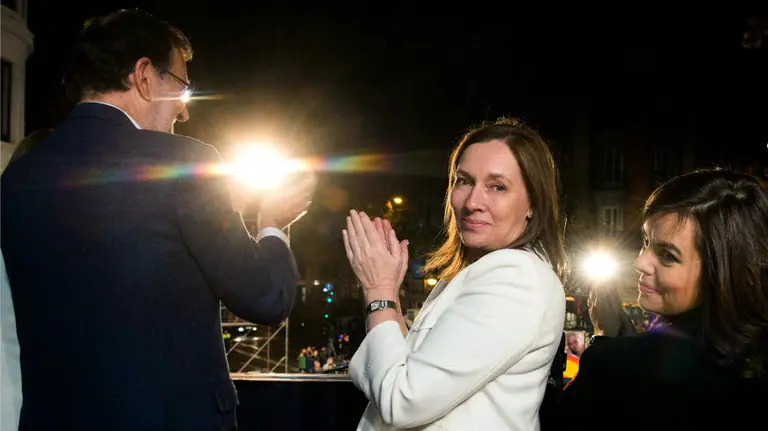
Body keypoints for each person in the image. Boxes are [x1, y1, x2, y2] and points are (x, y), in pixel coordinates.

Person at [1, 9, 315, 431]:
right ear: (145, 77)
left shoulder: (19, 177)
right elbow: (265, 298)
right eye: (183, 88)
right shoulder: (183, 163)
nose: (184, 113)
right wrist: (273, 223)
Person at [342, 118, 568, 430]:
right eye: (463, 181)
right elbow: (410, 370)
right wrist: (390, 294)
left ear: (533, 203)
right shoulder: (481, 273)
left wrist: (378, 290)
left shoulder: (516, 277)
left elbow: (401, 401)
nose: (473, 202)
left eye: (497, 187)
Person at [556, 169, 768, 430]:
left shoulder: (616, 366)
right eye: (646, 241)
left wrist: (605, 339)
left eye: (668, 256)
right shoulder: (752, 363)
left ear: (720, 273)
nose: (640, 262)